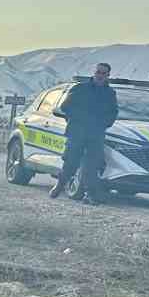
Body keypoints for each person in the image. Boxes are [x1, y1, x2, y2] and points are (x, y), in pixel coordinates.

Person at [50, 62, 119, 204]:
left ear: (108, 76)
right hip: (77, 132)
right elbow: (65, 107)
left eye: (103, 73)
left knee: (92, 165)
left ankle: (90, 194)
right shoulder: (80, 88)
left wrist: (103, 123)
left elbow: (113, 112)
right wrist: (81, 118)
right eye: (98, 72)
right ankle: (60, 185)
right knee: (71, 162)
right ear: (94, 72)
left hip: (96, 134)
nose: (100, 75)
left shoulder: (110, 93)